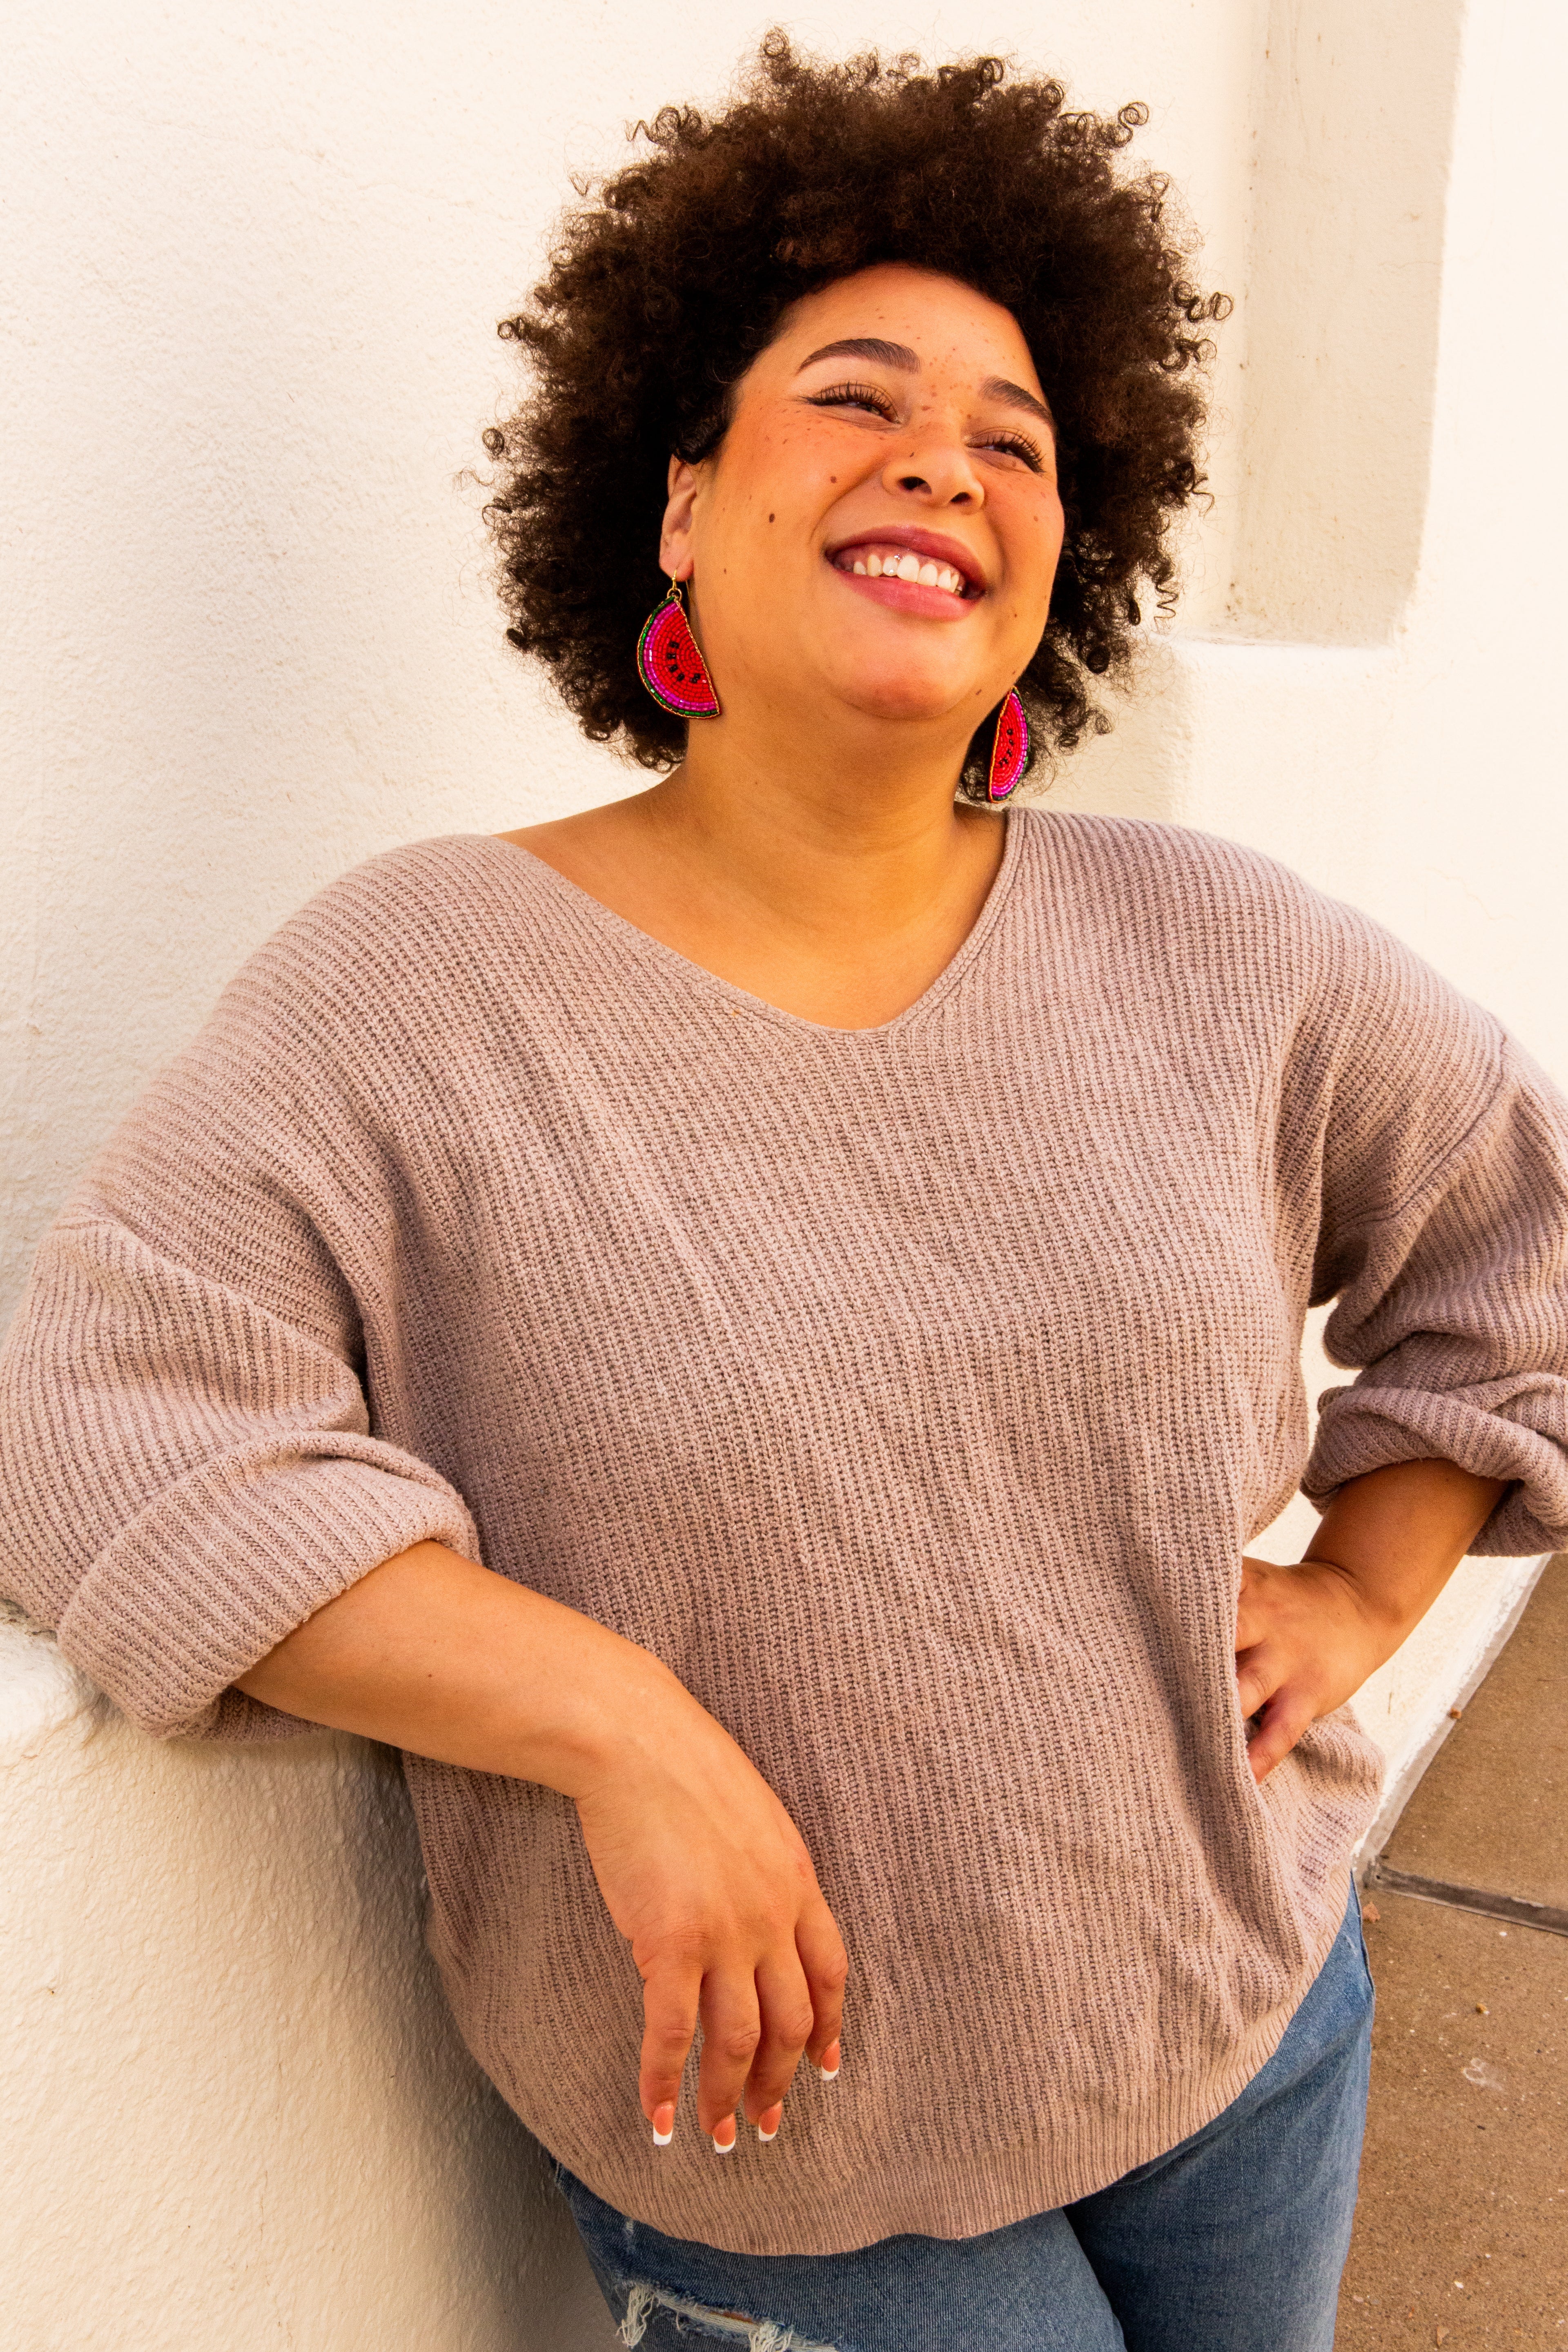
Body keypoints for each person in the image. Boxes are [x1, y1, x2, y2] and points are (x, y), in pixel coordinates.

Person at [3, 41, 1566, 2352]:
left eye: (1016, 437)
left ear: (1064, 550)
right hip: (787, 2137)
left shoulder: (1227, 952)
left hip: (1241, 2013)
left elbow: (1508, 1251)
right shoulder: (408, 993)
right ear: (672, 503)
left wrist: (1363, 1583)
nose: (944, 454)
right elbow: (96, 1433)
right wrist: (616, 1724)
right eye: (854, 396)